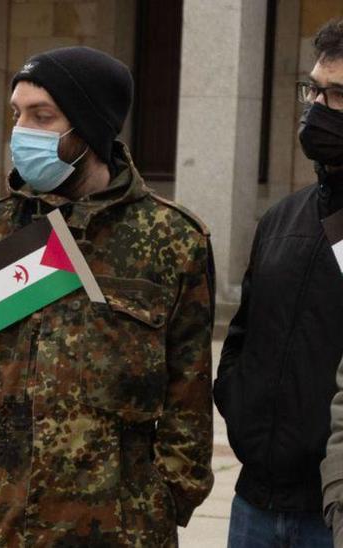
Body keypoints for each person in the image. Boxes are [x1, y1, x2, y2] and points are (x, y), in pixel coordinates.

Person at [0, 46, 215, 546]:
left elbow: (189, 396)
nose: (21, 131)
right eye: (17, 114)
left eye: (42, 116)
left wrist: (163, 501)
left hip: (117, 528)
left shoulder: (171, 238)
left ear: (90, 128)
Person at [218, 17, 343, 548]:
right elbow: (243, 337)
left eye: (337, 94)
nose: (316, 106)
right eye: (313, 88)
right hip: (256, 503)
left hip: (330, 511)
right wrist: (242, 412)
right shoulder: (281, 219)